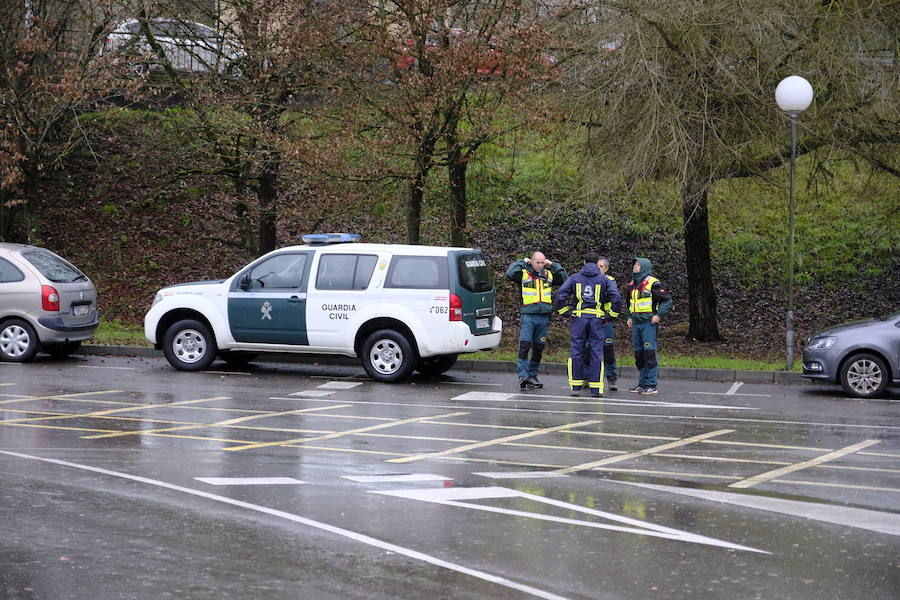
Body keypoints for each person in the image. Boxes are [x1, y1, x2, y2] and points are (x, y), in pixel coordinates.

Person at [556, 251, 621, 398]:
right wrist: (610, 316)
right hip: (597, 320)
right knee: (596, 353)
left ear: (584, 262)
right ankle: (596, 389)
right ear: (597, 262)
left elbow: (560, 295)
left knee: (577, 352)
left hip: (579, 319)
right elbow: (616, 298)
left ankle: (575, 387)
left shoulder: (575, 278)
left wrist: (566, 313)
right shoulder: (604, 279)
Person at [505, 251, 568, 389]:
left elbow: (564, 277)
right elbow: (509, 273)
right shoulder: (523, 273)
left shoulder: (549, 275)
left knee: (538, 348)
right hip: (528, 316)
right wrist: (523, 261)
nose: (540, 265)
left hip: (544, 317)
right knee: (524, 347)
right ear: (532, 262)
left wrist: (552, 264)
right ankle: (523, 375)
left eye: (542, 262)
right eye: (537, 262)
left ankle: (532, 375)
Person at [624, 257, 673, 395]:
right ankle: (643, 383)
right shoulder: (632, 284)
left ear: (644, 267)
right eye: (634, 264)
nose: (635, 266)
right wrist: (629, 316)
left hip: (648, 323)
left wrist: (658, 315)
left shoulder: (653, 283)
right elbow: (629, 302)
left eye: (638, 265)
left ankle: (651, 384)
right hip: (636, 323)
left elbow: (667, 300)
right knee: (638, 354)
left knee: (649, 353)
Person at [597, 256, 620, 391]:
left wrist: (609, 316)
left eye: (601, 267)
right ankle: (587, 378)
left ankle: (611, 378)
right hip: (591, 318)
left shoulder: (610, 280)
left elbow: (613, 297)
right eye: (597, 266)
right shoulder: (587, 279)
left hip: (605, 320)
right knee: (588, 349)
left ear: (606, 269)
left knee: (608, 349)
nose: (598, 269)